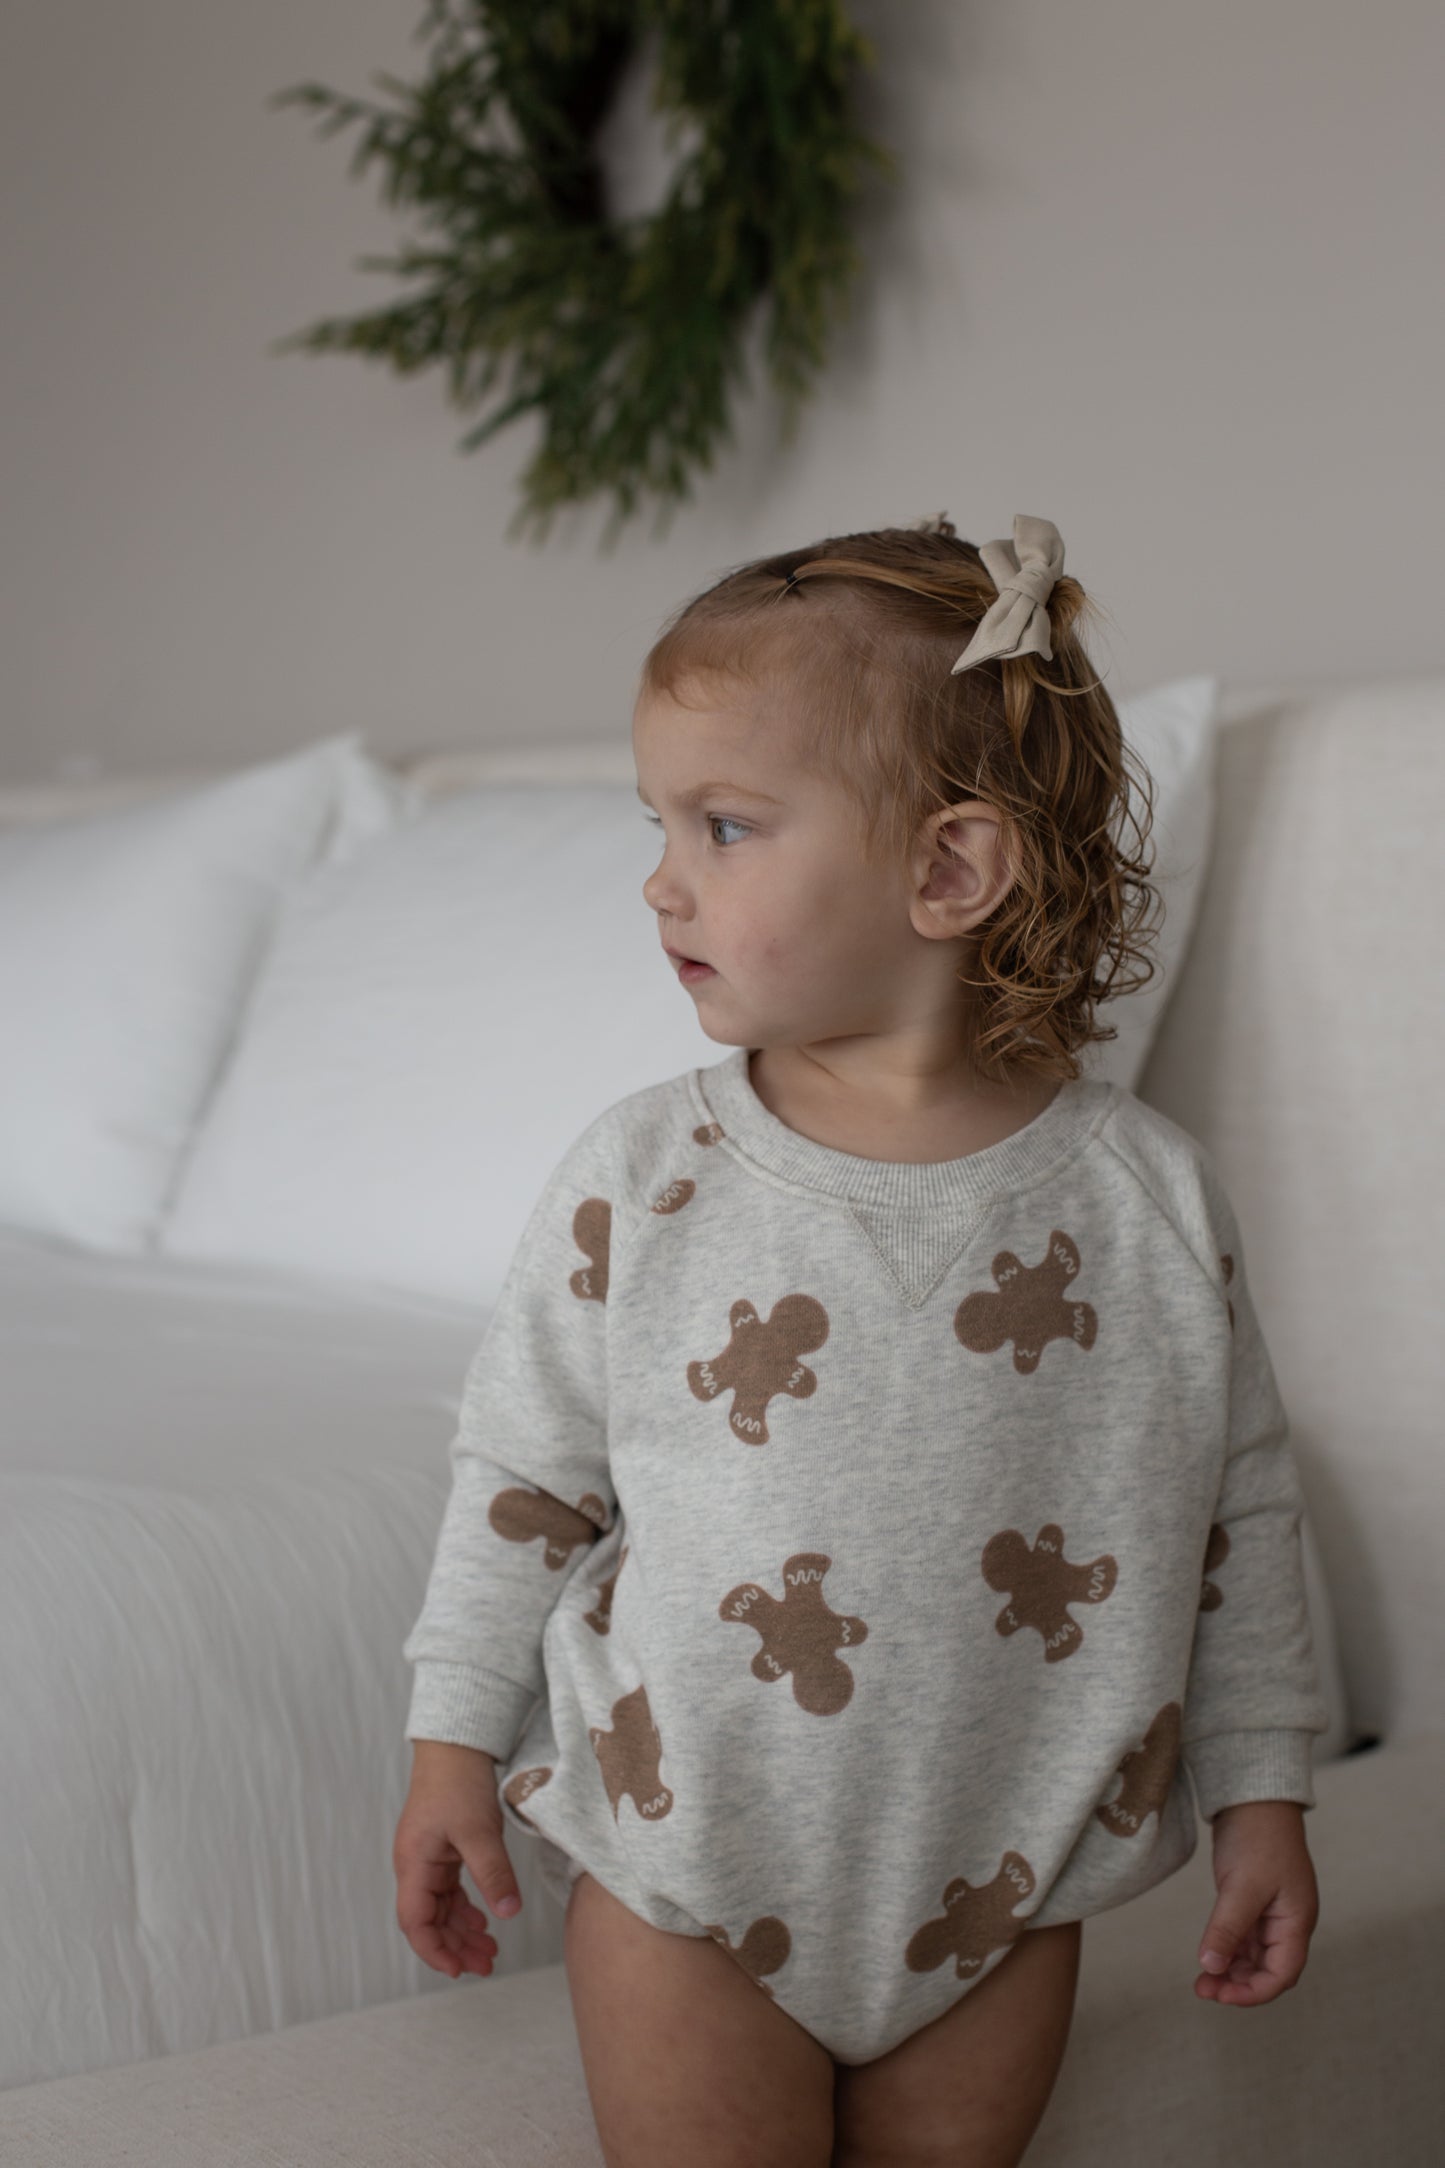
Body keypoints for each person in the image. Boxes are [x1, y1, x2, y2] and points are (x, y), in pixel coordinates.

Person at [392, 514, 1327, 2168]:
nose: (661, 878)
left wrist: (1265, 1793)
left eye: (725, 825)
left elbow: (1233, 1516)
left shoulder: (1146, 1198)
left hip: (999, 1889)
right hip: (686, 1862)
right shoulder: (643, 1176)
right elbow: (525, 1477)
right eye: (659, 823)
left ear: (948, 870)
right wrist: (450, 1741)